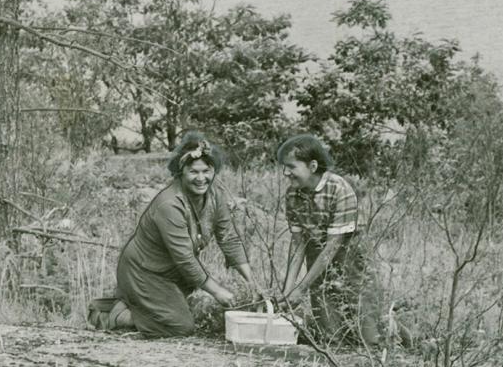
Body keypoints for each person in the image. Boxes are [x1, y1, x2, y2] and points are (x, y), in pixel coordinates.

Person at [98, 133, 260, 337]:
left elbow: (229, 238)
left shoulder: (215, 194)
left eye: (206, 171)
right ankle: (112, 317)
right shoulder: (170, 204)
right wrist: (218, 291)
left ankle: (134, 304)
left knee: (179, 313)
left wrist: (251, 281)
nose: (201, 179)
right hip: (144, 271)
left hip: (173, 272)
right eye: (193, 171)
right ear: (180, 172)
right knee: (181, 327)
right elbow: (185, 259)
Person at [276, 134, 378, 346]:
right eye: (284, 167)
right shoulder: (293, 195)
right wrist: (288, 291)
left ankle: (399, 330)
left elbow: (334, 246)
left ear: (312, 166)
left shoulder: (339, 189)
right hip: (318, 255)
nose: (286, 173)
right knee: (330, 337)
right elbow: (298, 244)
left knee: (369, 336)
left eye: (291, 167)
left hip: (350, 256)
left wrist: (301, 289)